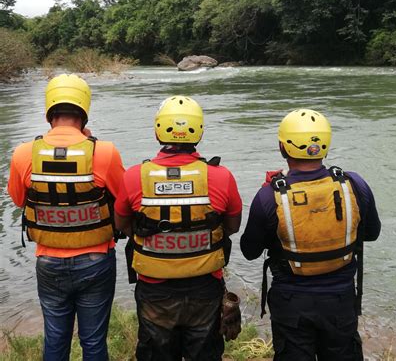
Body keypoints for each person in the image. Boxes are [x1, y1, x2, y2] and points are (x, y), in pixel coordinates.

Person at [240, 109, 381, 361]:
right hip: (340, 300)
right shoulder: (354, 184)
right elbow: (372, 233)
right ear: (325, 144)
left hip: (292, 303)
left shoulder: (268, 196)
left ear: (282, 147)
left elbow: (250, 252)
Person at [114, 95, 242, 361]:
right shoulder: (221, 176)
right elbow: (232, 226)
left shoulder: (134, 176)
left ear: (158, 130)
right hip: (206, 287)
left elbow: (123, 226)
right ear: (200, 131)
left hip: (154, 289)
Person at [8, 74, 125, 361]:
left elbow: (19, 200)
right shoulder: (104, 152)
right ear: (84, 110)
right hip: (96, 260)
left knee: (56, 339)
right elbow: (123, 202)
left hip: (48, 262)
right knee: (94, 342)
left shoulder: (24, 154)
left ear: (49, 111)